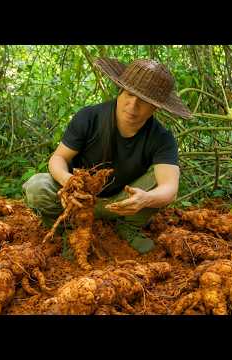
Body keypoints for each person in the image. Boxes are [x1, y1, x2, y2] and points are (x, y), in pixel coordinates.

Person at [23, 57, 192, 253]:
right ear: (120, 91)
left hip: (122, 203)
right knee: (36, 186)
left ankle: (126, 226)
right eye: (129, 94)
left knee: (162, 179)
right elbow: (58, 158)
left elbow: (170, 188)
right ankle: (68, 229)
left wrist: (145, 199)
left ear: (156, 107)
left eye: (144, 101)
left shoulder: (162, 137)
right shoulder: (90, 117)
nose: (133, 105)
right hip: (77, 199)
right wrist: (68, 181)